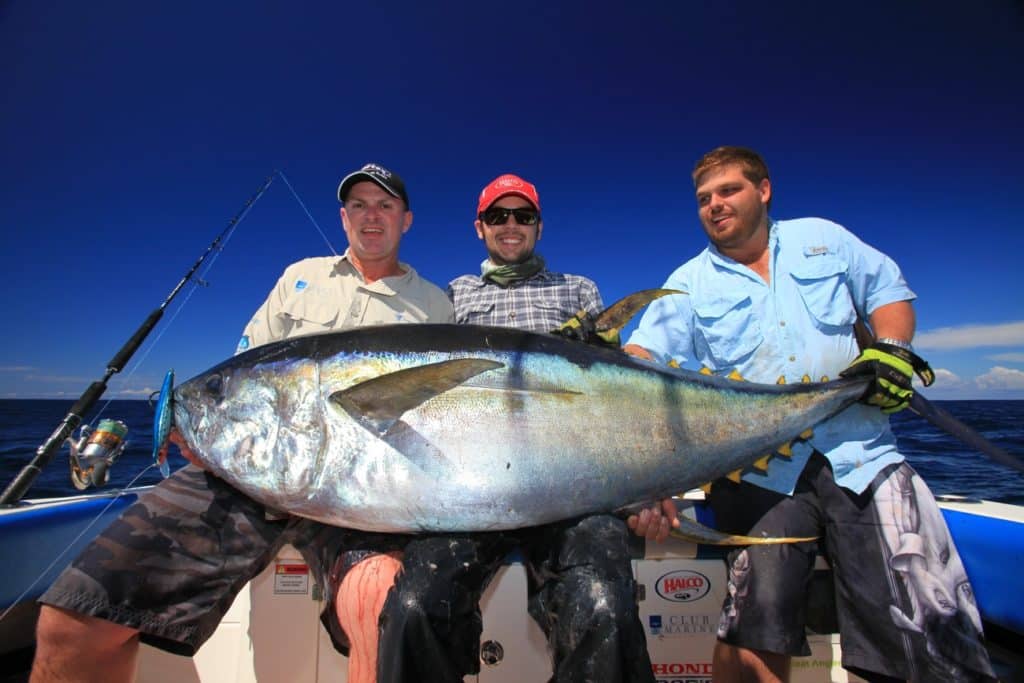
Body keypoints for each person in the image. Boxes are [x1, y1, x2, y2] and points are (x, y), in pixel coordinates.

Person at [31, 163, 454, 683]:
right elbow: (243, 370)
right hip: (249, 480)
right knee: (77, 615)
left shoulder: (436, 303)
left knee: (385, 612)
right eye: (359, 205)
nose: (372, 216)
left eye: (385, 205)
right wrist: (207, 429)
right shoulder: (299, 277)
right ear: (343, 218)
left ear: (406, 220)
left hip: (367, 495)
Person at [623, 146, 996, 682]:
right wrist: (640, 466)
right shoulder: (685, 282)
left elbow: (888, 294)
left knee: (930, 619)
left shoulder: (824, 239)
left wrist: (891, 349)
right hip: (755, 469)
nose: (714, 205)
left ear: (764, 189)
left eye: (728, 190)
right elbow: (643, 362)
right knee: (753, 620)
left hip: (861, 452)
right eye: (703, 198)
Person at [365, 173, 655, 683]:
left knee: (605, 605)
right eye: (498, 216)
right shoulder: (454, 296)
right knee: (415, 606)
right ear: (480, 228)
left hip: (572, 486)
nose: (511, 225)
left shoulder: (578, 289)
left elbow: (618, 392)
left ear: (539, 226)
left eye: (523, 215)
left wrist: (655, 475)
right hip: (475, 491)